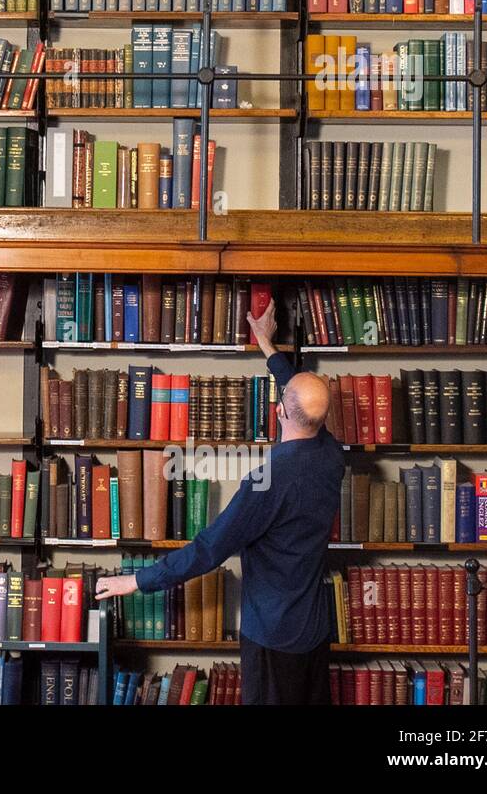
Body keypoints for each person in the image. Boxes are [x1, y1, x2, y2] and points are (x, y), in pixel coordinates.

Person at [95, 299, 344, 704]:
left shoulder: (266, 481)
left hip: (271, 636)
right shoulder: (332, 457)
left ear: (279, 411)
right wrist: (267, 346)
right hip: (314, 630)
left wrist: (137, 580)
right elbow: (302, 402)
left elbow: (210, 548)